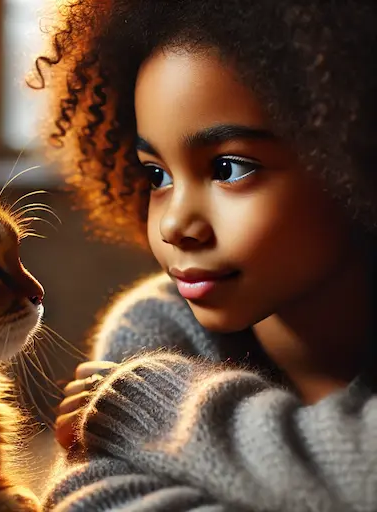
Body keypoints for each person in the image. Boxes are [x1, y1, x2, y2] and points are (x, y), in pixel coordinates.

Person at [32, 1, 377, 510]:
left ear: (351, 157)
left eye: (230, 169)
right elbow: (88, 500)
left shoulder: (143, 386)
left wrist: (159, 407)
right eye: (157, 176)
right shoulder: (157, 329)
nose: (174, 225)